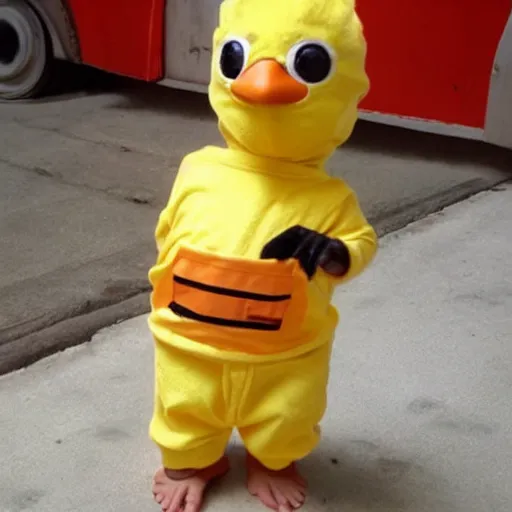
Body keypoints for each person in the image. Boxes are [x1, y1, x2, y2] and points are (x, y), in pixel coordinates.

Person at [148, 0, 377, 510]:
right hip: (191, 346)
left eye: (308, 65)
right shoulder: (197, 169)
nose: (262, 82)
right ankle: (193, 459)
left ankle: (272, 459)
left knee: (287, 414)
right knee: (184, 407)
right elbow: (168, 231)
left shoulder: (330, 197)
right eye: (237, 59)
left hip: (286, 353)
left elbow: (361, 244)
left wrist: (336, 254)